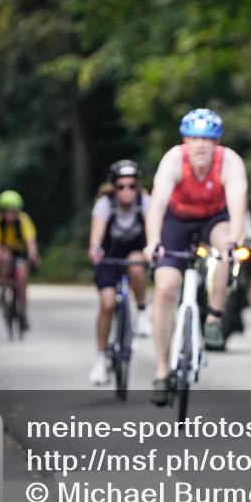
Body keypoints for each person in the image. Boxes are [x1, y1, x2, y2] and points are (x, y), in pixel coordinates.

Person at [144, 108, 249, 406]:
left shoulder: (229, 162)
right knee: (165, 288)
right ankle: (162, 372)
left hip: (214, 218)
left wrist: (232, 241)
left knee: (226, 252)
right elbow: (157, 206)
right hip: (177, 221)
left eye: (207, 138)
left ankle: (215, 318)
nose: (200, 145)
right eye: (194, 138)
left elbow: (238, 206)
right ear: (185, 140)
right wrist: (153, 241)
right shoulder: (173, 160)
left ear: (216, 142)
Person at [88, 160, 153, 385]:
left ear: (138, 186)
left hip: (135, 252)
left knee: (136, 264)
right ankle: (100, 358)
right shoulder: (105, 204)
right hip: (109, 256)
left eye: (132, 186)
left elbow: (153, 231)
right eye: (121, 186)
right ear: (114, 187)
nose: (127, 191)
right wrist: (95, 249)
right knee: (107, 304)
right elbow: (96, 234)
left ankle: (142, 312)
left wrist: (153, 248)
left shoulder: (145, 203)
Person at [0, 190, 40, 330]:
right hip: (5, 251)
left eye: (13, 211)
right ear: (2, 211)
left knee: (22, 277)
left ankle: (23, 310)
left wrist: (33, 254)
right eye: (7, 211)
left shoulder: (23, 220)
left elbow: (30, 241)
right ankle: (3, 289)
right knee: (4, 261)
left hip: (20, 251)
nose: (10, 215)